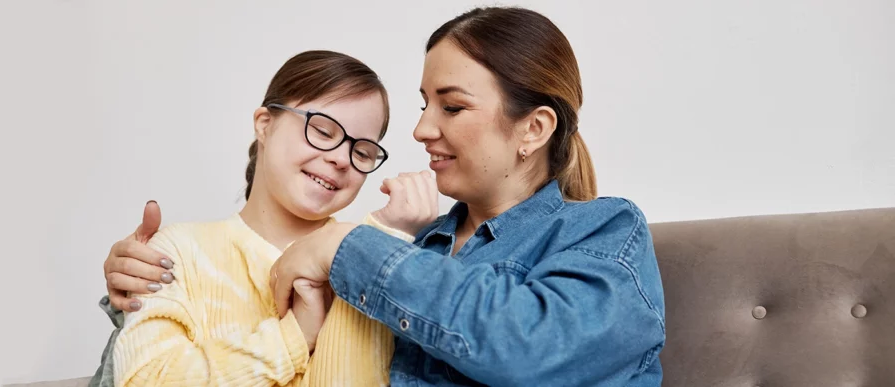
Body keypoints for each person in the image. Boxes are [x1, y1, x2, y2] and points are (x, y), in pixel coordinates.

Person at [102, 6, 667, 387]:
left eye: (450, 106)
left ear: (534, 129)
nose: (420, 129)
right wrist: (131, 297)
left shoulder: (605, 231)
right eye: (424, 103)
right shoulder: (414, 243)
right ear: (263, 124)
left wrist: (347, 246)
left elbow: (530, 345)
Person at [90, 49, 442, 386]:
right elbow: (146, 381)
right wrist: (294, 337)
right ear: (264, 124)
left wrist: (382, 242)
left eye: (362, 151)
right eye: (322, 131)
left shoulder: (371, 255)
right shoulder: (178, 252)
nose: (341, 159)